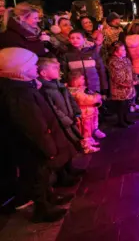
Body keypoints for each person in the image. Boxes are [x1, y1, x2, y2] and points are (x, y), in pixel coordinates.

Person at [0, 48, 73, 222]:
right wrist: (48, 146)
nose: (36, 68)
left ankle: (50, 198)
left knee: (43, 174)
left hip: (37, 141)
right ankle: (42, 209)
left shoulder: (23, 85)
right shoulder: (18, 94)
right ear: (20, 69)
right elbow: (32, 124)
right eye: (32, 65)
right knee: (37, 176)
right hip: (32, 145)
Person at [37, 57, 89, 183]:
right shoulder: (44, 90)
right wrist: (66, 120)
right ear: (43, 73)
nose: (58, 71)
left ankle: (70, 168)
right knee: (62, 148)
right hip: (59, 123)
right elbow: (53, 108)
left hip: (68, 119)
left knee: (69, 146)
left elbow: (69, 99)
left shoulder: (58, 85)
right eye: (54, 68)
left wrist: (76, 111)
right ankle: (63, 176)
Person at [64, 29, 108, 97]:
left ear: (84, 39)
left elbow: (101, 71)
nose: (75, 40)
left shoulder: (92, 53)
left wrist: (104, 89)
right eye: (72, 38)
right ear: (69, 40)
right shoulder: (67, 55)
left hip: (95, 88)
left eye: (78, 38)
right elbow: (65, 73)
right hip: (77, 90)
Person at [68, 72, 105, 150]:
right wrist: (97, 96)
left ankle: (90, 141)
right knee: (85, 130)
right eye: (82, 78)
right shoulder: (75, 92)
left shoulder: (82, 89)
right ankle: (86, 147)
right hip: (84, 114)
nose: (84, 80)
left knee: (89, 129)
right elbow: (89, 99)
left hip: (89, 113)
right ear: (75, 80)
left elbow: (92, 96)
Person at [108, 41, 139, 128]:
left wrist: (135, 79)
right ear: (115, 51)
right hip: (119, 89)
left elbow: (132, 71)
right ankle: (121, 121)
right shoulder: (113, 62)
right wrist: (127, 84)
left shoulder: (126, 60)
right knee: (121, 105)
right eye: (122, 50)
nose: (125, 51)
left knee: (127, 104)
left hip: (129, 88)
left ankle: (126, 119)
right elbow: (116, 77)